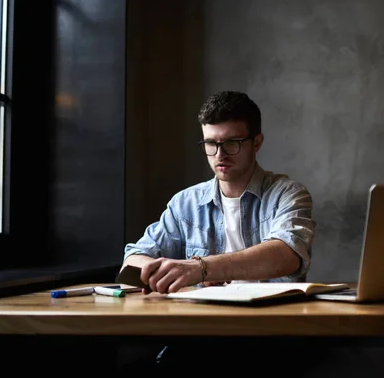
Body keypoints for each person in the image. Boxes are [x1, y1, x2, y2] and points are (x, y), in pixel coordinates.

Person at [120, 90, 316, 295]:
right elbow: (132, 260)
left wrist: (202, 269)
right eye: (211, 143)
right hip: (206, 321)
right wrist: (165, 272)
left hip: (272, 320)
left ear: (256, 143)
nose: (220, 155)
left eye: (232, 143)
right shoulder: (185, 204)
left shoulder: (288, 194)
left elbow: (287, 254)